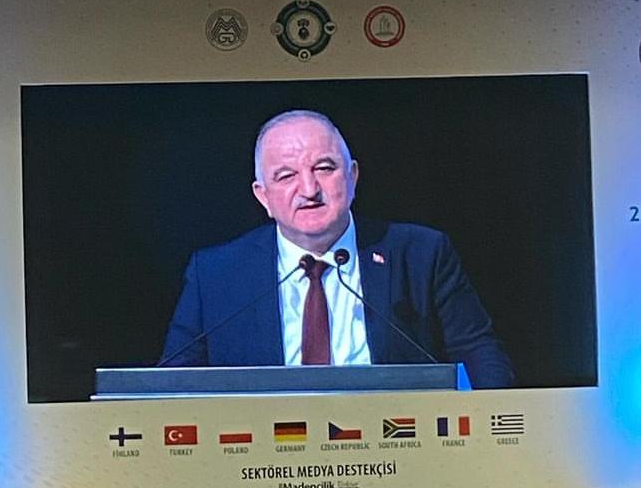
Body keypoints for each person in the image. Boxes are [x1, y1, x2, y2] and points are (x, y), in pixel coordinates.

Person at [162, 109, 515, 388]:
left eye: (324, 168)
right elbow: (172, 385)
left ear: (352, 176)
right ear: (263, 196)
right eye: (286, 176)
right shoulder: (216, 274)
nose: (309, 189)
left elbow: (480, 358)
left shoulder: (421, 254)